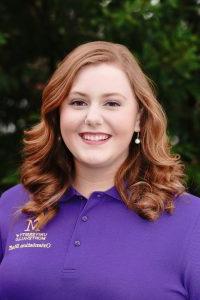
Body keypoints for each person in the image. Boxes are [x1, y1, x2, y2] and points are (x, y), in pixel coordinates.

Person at [0, 41, 200, 300]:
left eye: (112, 104)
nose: (92, 117)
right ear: (57, 113)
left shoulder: (191, 222)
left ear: (139, 117)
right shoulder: (13, 206)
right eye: (78, 102)